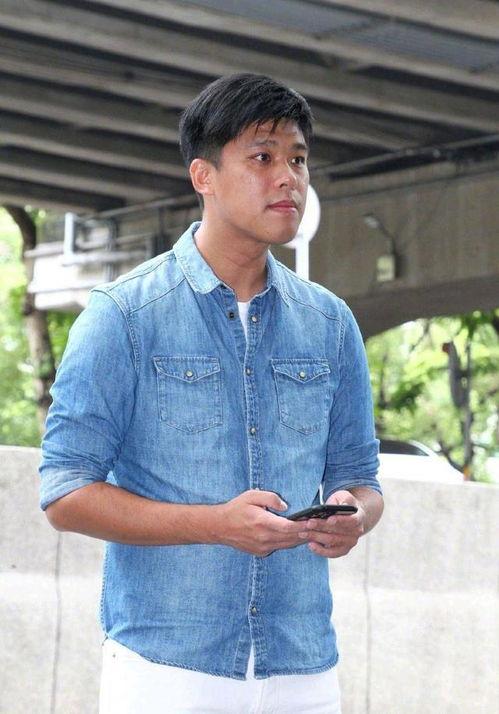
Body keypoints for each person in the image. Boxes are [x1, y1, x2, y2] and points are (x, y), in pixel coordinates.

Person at [40, 73, 383, 714]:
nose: (288, 178)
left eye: (298, 159)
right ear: (204, 176)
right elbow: (64, 493)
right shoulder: (125, 315)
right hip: (168, 668)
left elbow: (361, 477)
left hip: (302, 667)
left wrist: (354, 515)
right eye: (263, 157)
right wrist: (215, 526)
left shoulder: (331, 323)